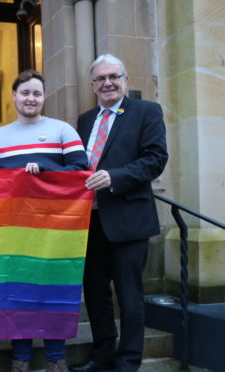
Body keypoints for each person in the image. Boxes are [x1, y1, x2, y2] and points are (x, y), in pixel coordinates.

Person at [69, 54, 168, 372]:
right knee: (96, 296)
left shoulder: (146, 112)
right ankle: (102, 357)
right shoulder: (85, 120)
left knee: (129, 298)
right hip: (91, 223)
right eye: (100, 78)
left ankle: (127, 363)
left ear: (125, 80)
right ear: (93, 85)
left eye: (113, 76)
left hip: (128, 221)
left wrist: (116, 177)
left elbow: (155, 159)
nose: (107, 83)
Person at [0, 70, 88, 372]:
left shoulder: (62, 130)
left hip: (54, 230)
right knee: (18, 293)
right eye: (25, 93)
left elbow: (81, 171)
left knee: (53, 291)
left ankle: (57, 361)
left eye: (37, 93)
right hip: (13, 232)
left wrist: (44, 170)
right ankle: (20, 360)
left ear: (44, 98)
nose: (31, 98)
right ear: (14, 96)